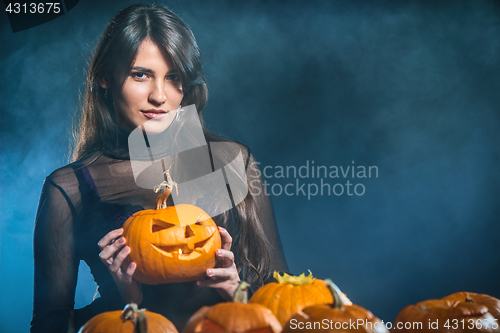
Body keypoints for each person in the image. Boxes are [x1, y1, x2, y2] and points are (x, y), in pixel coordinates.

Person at [31, 4, 288, 332]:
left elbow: (282, 299)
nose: (159, 96)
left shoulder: (234, 162)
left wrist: (235, 291)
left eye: (173, 77)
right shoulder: (70, 187)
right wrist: (124, 302)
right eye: (141, 74)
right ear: (105, 77)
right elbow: (48, 326)